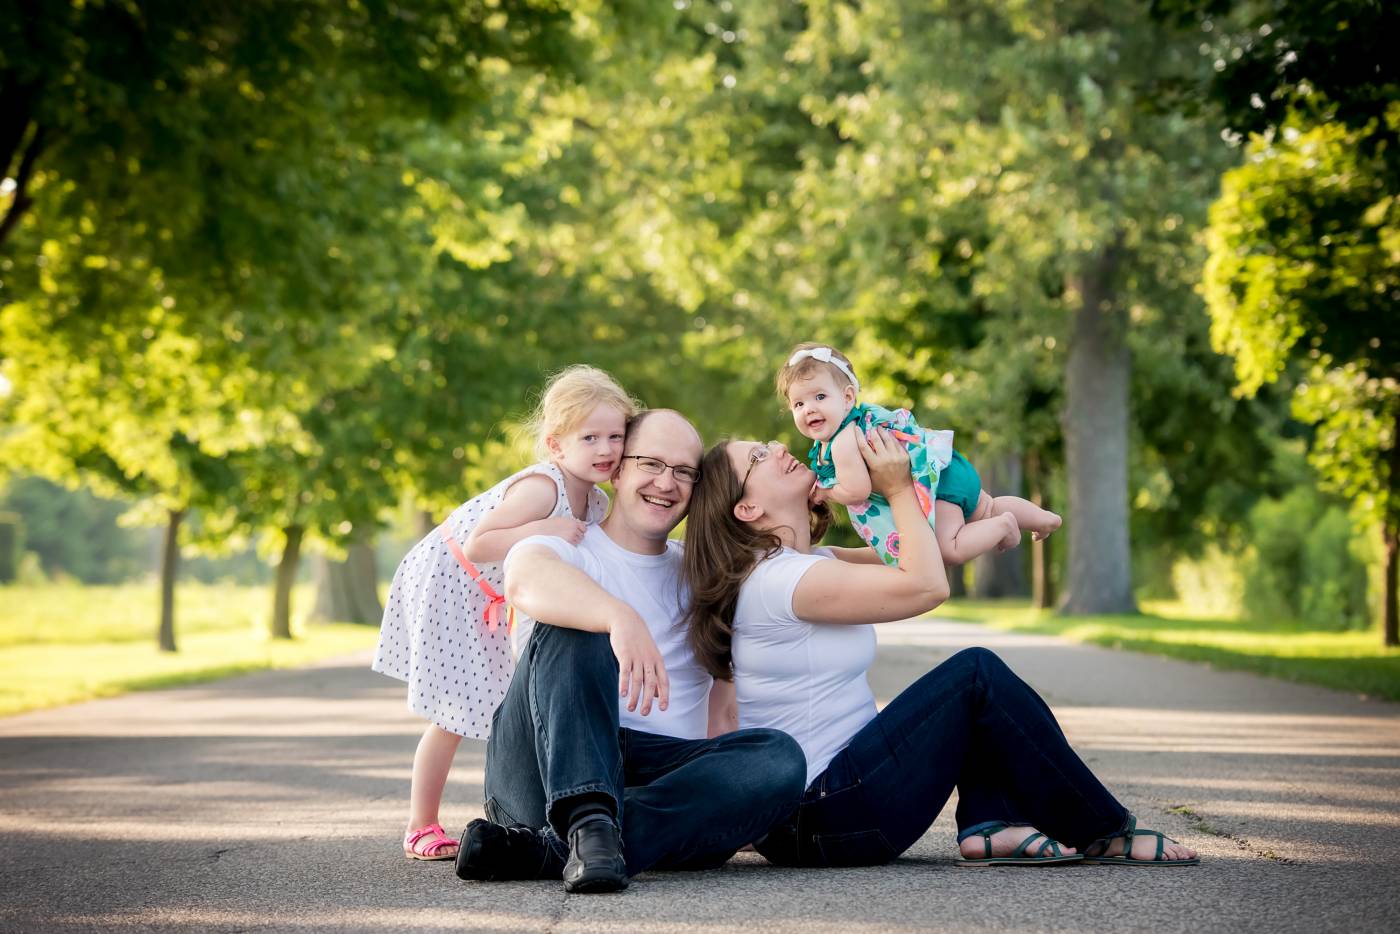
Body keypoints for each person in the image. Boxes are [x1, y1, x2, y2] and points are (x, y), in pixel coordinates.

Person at [682, 429, 1199, 868]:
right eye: (756, 457)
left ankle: (990, 823)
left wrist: (968, 508)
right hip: (825, 815)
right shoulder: (784, 581)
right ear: (746, 507)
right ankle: (1105, 829)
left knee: (968, 694)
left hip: (825, 809)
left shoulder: (805, 561)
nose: (776, 447)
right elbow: (926, 587)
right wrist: (899, 486)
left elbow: (914, 556)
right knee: (975, 676)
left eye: (766, 443)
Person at [455, 408, 807, 893]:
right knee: (572, 624)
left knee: (779, 758)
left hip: (656, 776)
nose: (667, 482)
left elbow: (802, 557)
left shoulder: (702, 574)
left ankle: (561, 847)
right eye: (652, 464)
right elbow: (524, 580)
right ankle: (587, 821)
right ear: (618, 468)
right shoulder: (569, 545)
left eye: (684, 471)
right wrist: (618, 617)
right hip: (544, 765)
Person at [373, 365, 636, 861]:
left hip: (495, 595)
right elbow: (480, 543)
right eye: (590, 437)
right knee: (454, 708)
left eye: (615, 436)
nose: (606, 449)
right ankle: (420, 824)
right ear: (556, 445)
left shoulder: (597, 501)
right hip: (451, 580)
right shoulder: (544, 487)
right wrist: (551, 529)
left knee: (504, 699)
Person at [778, 342, 1060, 566]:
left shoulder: (842, 441)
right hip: (946, 467)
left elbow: (857, 490)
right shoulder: (851, 428)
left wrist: (826, 492)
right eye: (799, 403)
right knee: (987, 506)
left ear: (848, 397)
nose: (809, 409)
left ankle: (1005, 525)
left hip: (937, 488)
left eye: (820, 397)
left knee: (948, 549)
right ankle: (1045, 518)